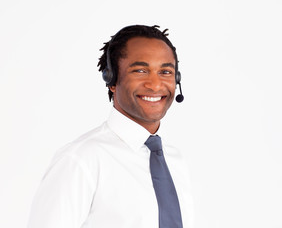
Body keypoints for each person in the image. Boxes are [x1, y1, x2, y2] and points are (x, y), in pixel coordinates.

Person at [27, 25, 193, 228]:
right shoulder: (82, 160)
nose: (155, 84)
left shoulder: (174, 159)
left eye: (165, 71)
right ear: (111, 79)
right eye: (140, 70)